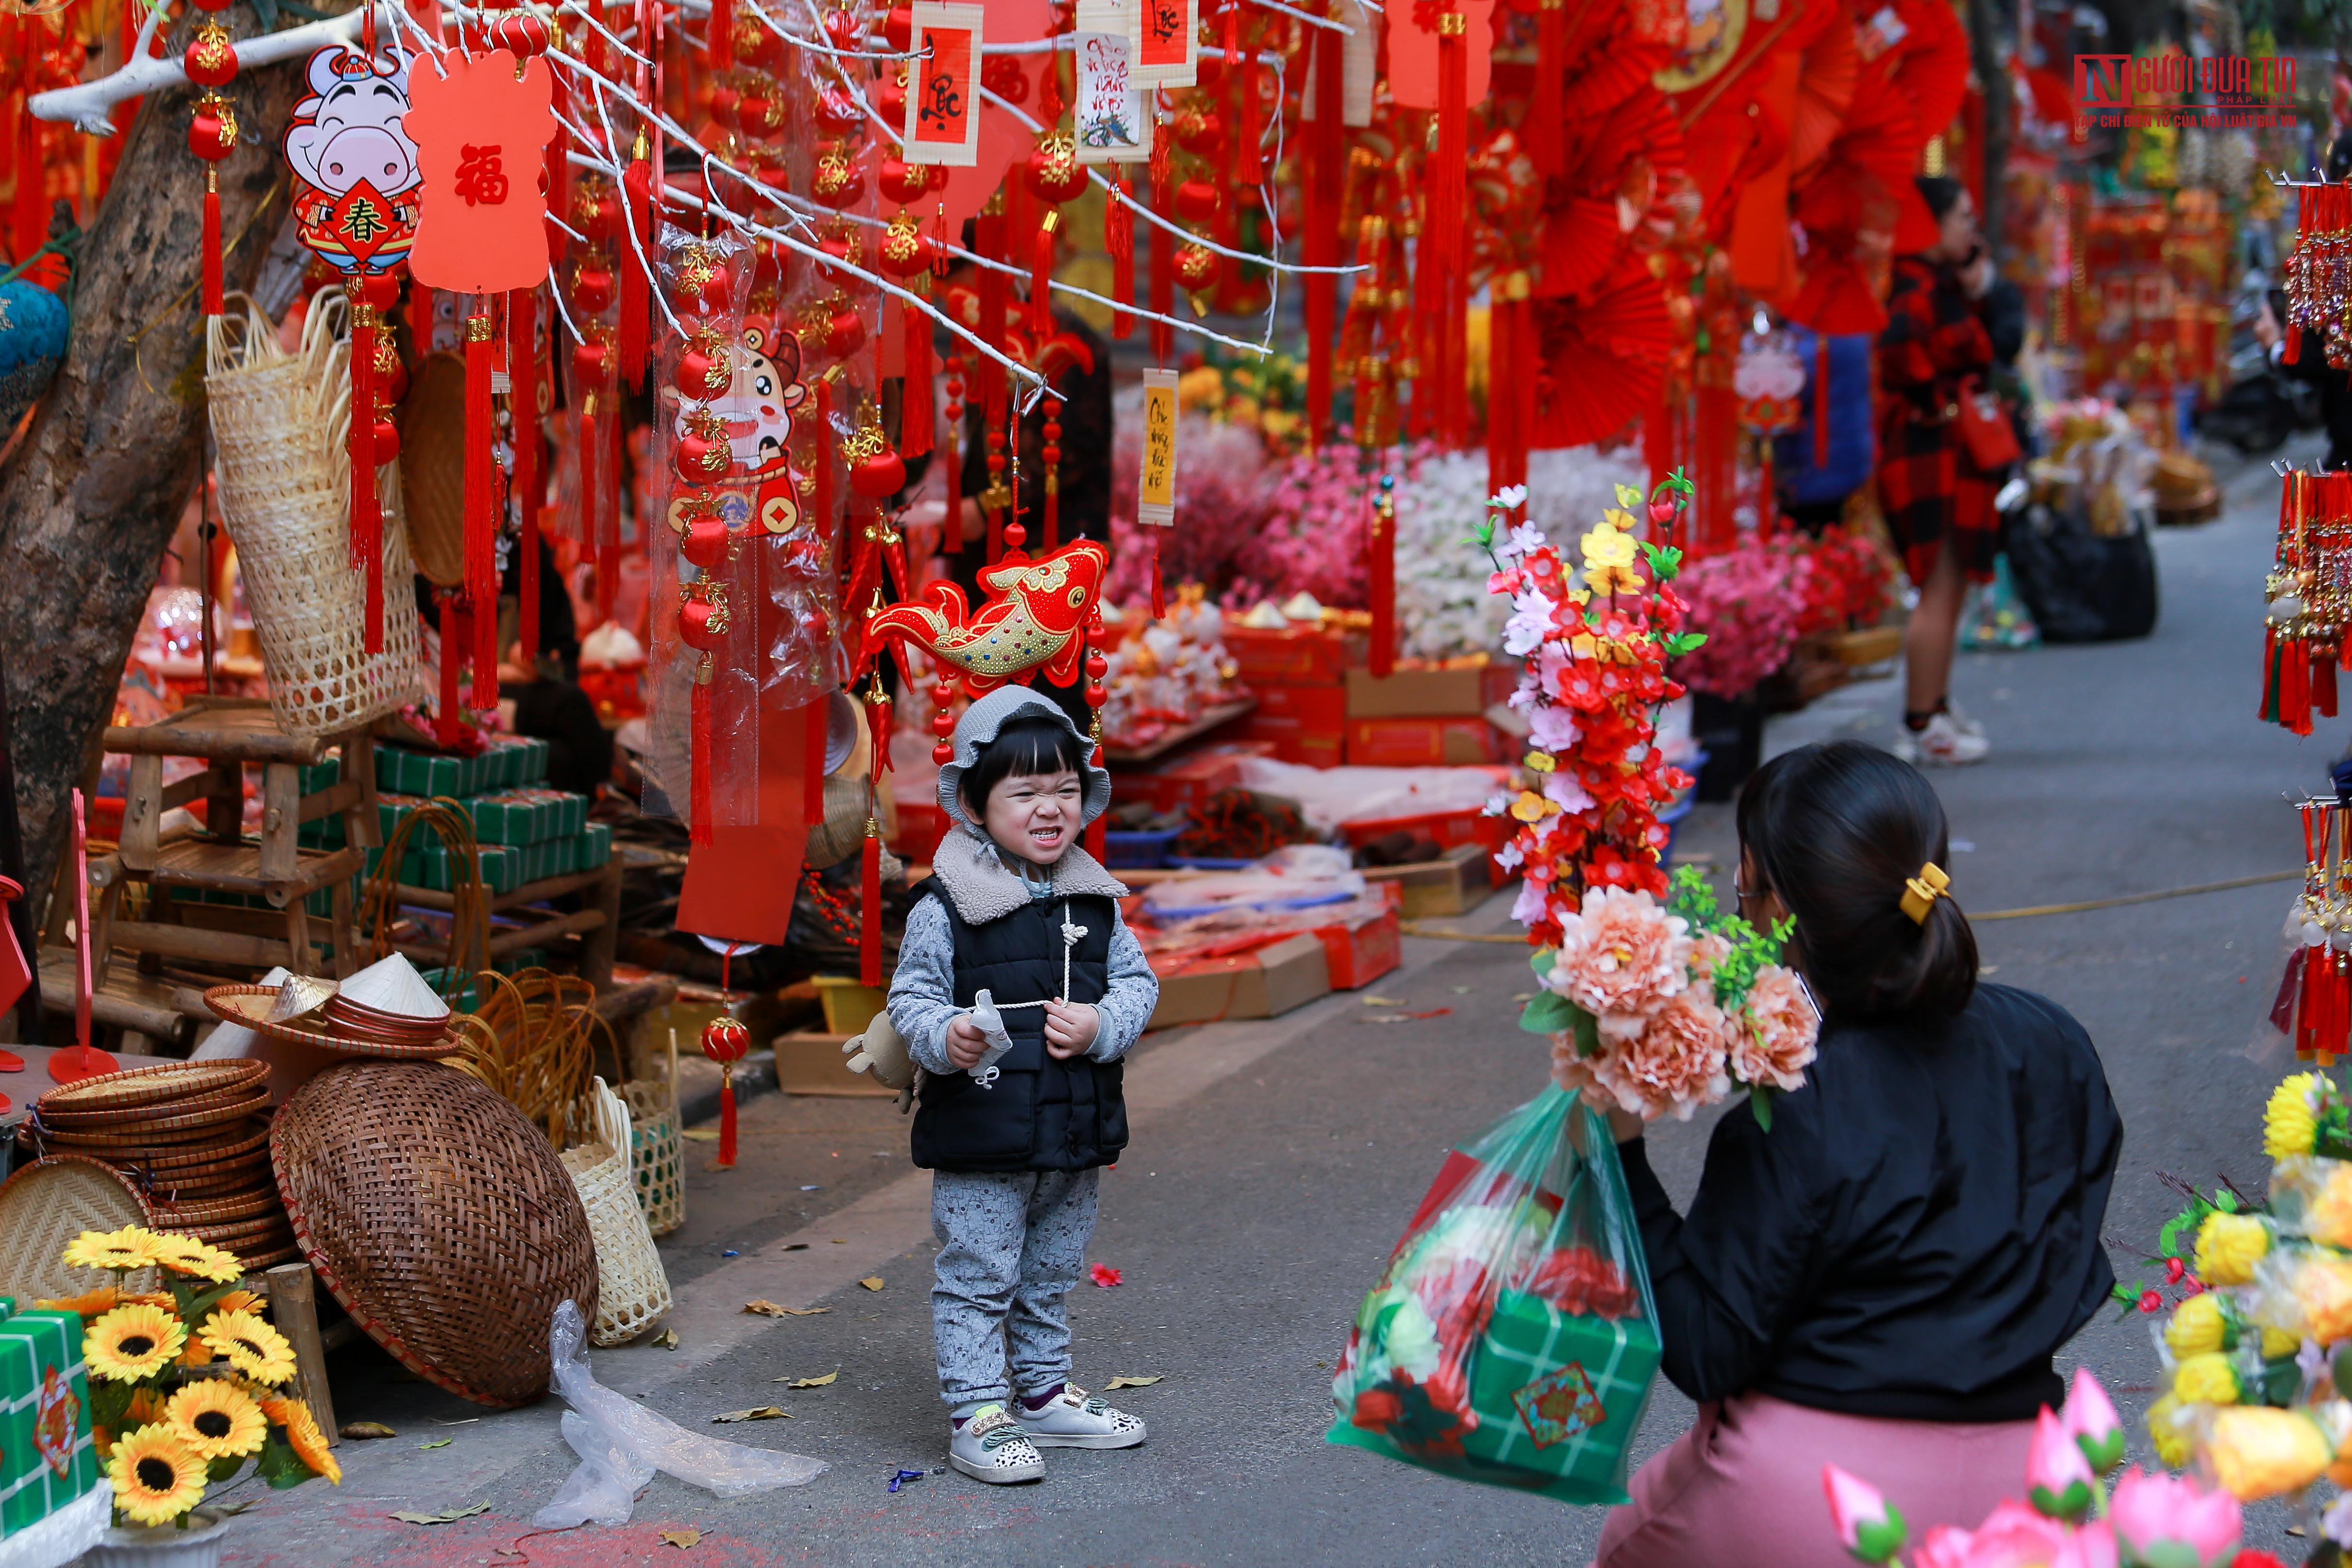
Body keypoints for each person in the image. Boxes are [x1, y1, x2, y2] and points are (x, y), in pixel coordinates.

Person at [1592, 740, 2122, 1568]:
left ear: (1776, 908)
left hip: (1814, 1487)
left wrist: (1621, 1152)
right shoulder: (2052, 1042)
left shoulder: (1800, 1100)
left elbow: (1705, 1350)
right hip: (2035, 1478)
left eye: (1744, 885)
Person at [884, 685, 1161, 1485]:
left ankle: (1040, 1392)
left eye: (1066, 790)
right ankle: (978, 1412)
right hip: (984, 1134)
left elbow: (1138, 984)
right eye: (1026, 792)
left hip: (1072, 1132)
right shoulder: (947, 906)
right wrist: (949, 1036)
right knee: (978, 1275)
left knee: (1049, 1272)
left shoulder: (1097, 898)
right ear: (974, 801)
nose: (1050, 808)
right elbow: (911, 1000)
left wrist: (1105, 1025)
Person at [1878, 177, 2005, 766]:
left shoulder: (1940, 283)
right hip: (1929, 451)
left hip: (1947, 448)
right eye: (1960, 217)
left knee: (1948, 585)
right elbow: (1901, 357)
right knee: (1936, 584)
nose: (1969, 227)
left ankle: (1934, 704)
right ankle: (1920, 721)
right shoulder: (1912, 287)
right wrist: (1941, 403)